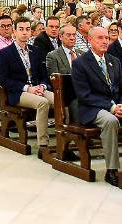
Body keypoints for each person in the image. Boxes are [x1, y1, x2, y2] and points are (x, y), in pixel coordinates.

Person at [71, 26, 122, 187]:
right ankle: (112, 169)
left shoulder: (114, 61)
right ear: (90, 40)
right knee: (110, 121)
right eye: (100, 38)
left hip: (116, 106)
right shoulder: (80, 64)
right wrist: (111, 108)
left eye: (106, 38)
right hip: (93, 108)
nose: (105, 41)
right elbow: (84, 95)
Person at [0, 17, 54, 156]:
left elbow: (44, 75)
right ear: (14, 32)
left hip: (37, 88)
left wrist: (42, 86)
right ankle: (43, 144)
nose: (25, 32)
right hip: (18, 92)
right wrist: (28, 88)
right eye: (21, 29)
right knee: (43, 103)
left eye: (28, 29)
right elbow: (4, 80)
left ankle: (65, 138)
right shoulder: (5, 53)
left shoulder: (36, 50)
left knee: (59, 99)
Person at [45, 24, 80, 162]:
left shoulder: (81, 54)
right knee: (75, 105)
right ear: (61, 37)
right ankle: (68, 145)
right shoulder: (53, 56)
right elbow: (55, 79)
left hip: (82, 92)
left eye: (74, 35)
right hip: (66, 93)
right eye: (68, 35)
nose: (72, 38)